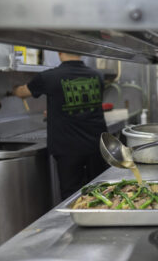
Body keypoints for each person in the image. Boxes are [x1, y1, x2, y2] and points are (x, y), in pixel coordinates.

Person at [13, 52, 109, 199]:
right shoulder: (98, 76)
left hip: (68, 148)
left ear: (59, 53)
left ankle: (76, 221)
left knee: (72, 195)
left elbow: (22, 92)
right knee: (102, 191)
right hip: (97, 145)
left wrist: (13, 89)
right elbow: (82, 104)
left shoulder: (48, 77)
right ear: (81, 54)